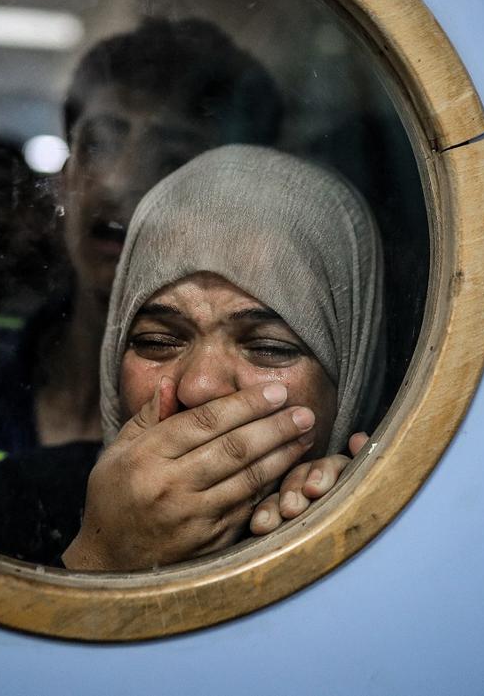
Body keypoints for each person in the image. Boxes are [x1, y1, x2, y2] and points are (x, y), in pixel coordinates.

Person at [0, 19, 284, 561]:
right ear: (65, 175)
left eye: (173, 159)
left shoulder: (222, 402)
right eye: (100, 144)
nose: (118, 182)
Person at [62, 144, 382, 570]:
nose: (199, 387)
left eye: (269, 348)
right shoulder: (14, 498)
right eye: (158, 341)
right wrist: (106, 554)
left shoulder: (396, 537)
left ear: (350, 369)